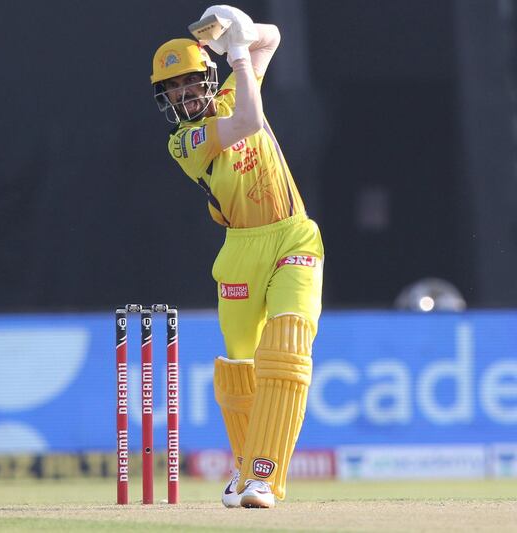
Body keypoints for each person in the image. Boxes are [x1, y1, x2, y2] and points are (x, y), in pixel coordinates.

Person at [151, 5, 324, 508]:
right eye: (172, 90)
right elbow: (248, 120)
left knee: (288, 343)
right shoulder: (185, 142)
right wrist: (240, 58)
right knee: (239, 367)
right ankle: (246, 468)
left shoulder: (230, 87)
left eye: (188, 83)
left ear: (207, 79)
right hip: (240, 251)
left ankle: (263, 477)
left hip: (293, 236)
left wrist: (240, 31)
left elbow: (272, 39)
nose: (182, 96)